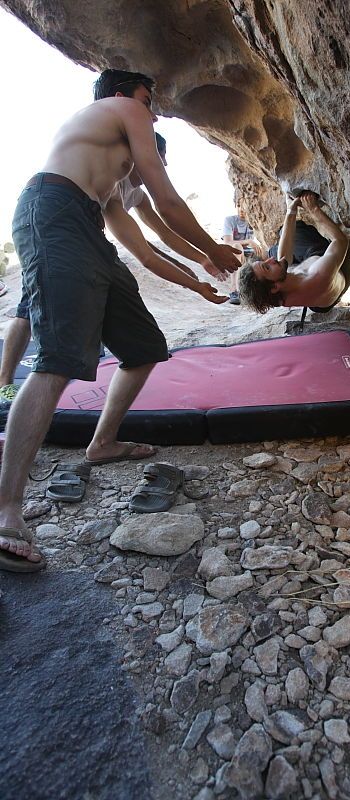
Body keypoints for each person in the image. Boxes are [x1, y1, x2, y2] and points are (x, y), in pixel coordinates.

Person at [0, 68, 239, 572]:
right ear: (122, 96)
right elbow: (169, 199)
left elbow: (150, 252)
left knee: (143, 346)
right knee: (59, 359)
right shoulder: (123, 110)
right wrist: (213, 246)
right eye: (148, 99)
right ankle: (5, 511)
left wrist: (201, 276)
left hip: (86, 226)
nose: (152, 111)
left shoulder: (109, 189)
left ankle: (101, 443)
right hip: (53, 211)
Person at [0, 132, 224, 405]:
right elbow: (144, 254)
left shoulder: (137, 195)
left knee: (141, 344)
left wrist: (201, 259)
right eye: (159, 156)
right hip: (56, 226)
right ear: (142, 155)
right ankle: (4, 383)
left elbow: (162, 235)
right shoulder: (112, 183)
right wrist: (197, 285)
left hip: (87, 241)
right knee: (28, 306)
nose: (163, 164)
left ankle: (102, 440)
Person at [239, 192, 350, 325]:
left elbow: (283, 258)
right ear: (275, 287)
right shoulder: (318, 275)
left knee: (277, 250)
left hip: (312, 290)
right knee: (297, 229)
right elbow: (340, 240)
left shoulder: (275, 294)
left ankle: (288, 221)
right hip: (339, 266)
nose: (270, 260)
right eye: (267, 267)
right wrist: (313, 209)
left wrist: (291, 210)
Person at [222, 205, 263, 305]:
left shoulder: (254, 220)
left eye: (244, 205)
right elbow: (228, 242)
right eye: (239, 205)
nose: (241, 209)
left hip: (249, 254)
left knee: (266, 251)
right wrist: (248, 241)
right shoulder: (230, 220)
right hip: (235, 252)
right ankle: (234, 289)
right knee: (237, 246)